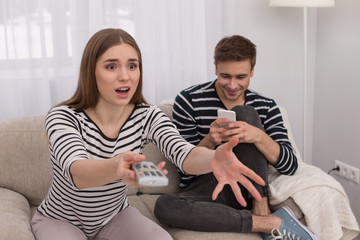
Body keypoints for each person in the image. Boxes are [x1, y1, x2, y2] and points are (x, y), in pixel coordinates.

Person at [30, 28, 267, 240]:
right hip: (59, 220)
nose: (125, 76)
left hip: (114, 217)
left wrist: (213, 159)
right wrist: (116, 167)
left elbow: (184, 154)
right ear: (91, 72)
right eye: (111, 66)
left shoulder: (147, 116)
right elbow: (77, 173)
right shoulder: (63, 116)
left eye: (132, 66)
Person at [154, 35, 319, 240]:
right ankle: (265, 222)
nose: (232, 85)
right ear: (215, 68)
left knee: (245, 114)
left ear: (252, 70)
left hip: (250, 187)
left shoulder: (267, 106)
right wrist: (210, 141)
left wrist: (257, 136)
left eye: (240, 77)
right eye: (225, 76)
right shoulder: (188, 100)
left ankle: (261, 206)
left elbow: (290, 165)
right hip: (208, 187)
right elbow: (184, 171)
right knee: (164, 206)